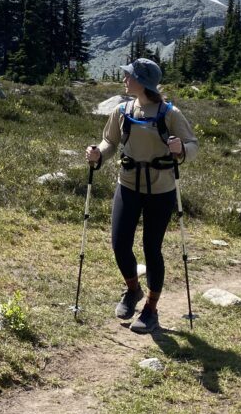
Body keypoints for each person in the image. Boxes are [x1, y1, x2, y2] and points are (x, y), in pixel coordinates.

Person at [85, 58, 198, 334]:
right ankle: (132, 290)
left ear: (143, 82)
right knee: (119, 243)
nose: (125, 78)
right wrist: (98, 153)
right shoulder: (122, 110)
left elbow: (193, 145)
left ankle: (151, 309)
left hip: (161, 189)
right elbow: (110, 141)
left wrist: (180, 148)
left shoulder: (170, 113)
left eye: (129, 75)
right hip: (128, 185)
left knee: (151, 249)